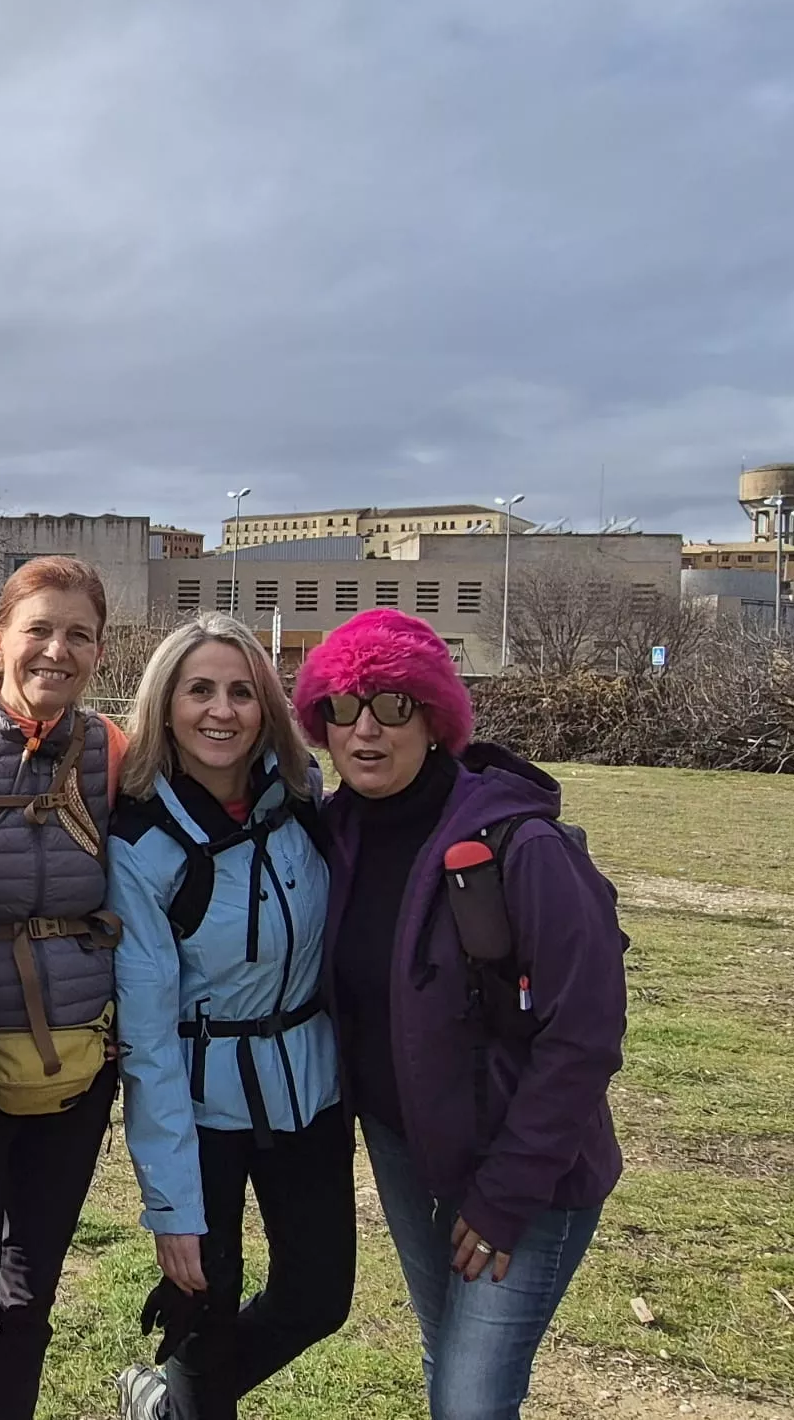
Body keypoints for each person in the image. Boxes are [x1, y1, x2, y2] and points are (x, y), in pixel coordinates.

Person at [294, 608, 626, 1420]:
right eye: (343, 707)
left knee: (473, 1401)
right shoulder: (334, 835)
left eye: (393, 706)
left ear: (436, 718)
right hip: (408, 1150)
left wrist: (507, 1193)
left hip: (527, 1171)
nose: (366, 729)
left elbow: (584, 1034)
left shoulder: (523, 846)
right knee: (448, 1361)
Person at [108, 613, 352, 1420]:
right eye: (200, 690)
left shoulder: (304, 800)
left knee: (318, 1296)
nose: (223, 711)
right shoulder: (141, 845)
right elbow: (145, 1039)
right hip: (200, 1107)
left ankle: (161, 1407)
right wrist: (173, 1207)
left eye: (242, 691)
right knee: (203, 1319)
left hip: (308, 1093)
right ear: (166, 705)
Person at [0, 557, 130, 1420]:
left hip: (76, 1071)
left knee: (31, 1295)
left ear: (99, 652)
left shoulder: (110, 755)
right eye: (38, 629)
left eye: (78, 634)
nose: (56, 650)